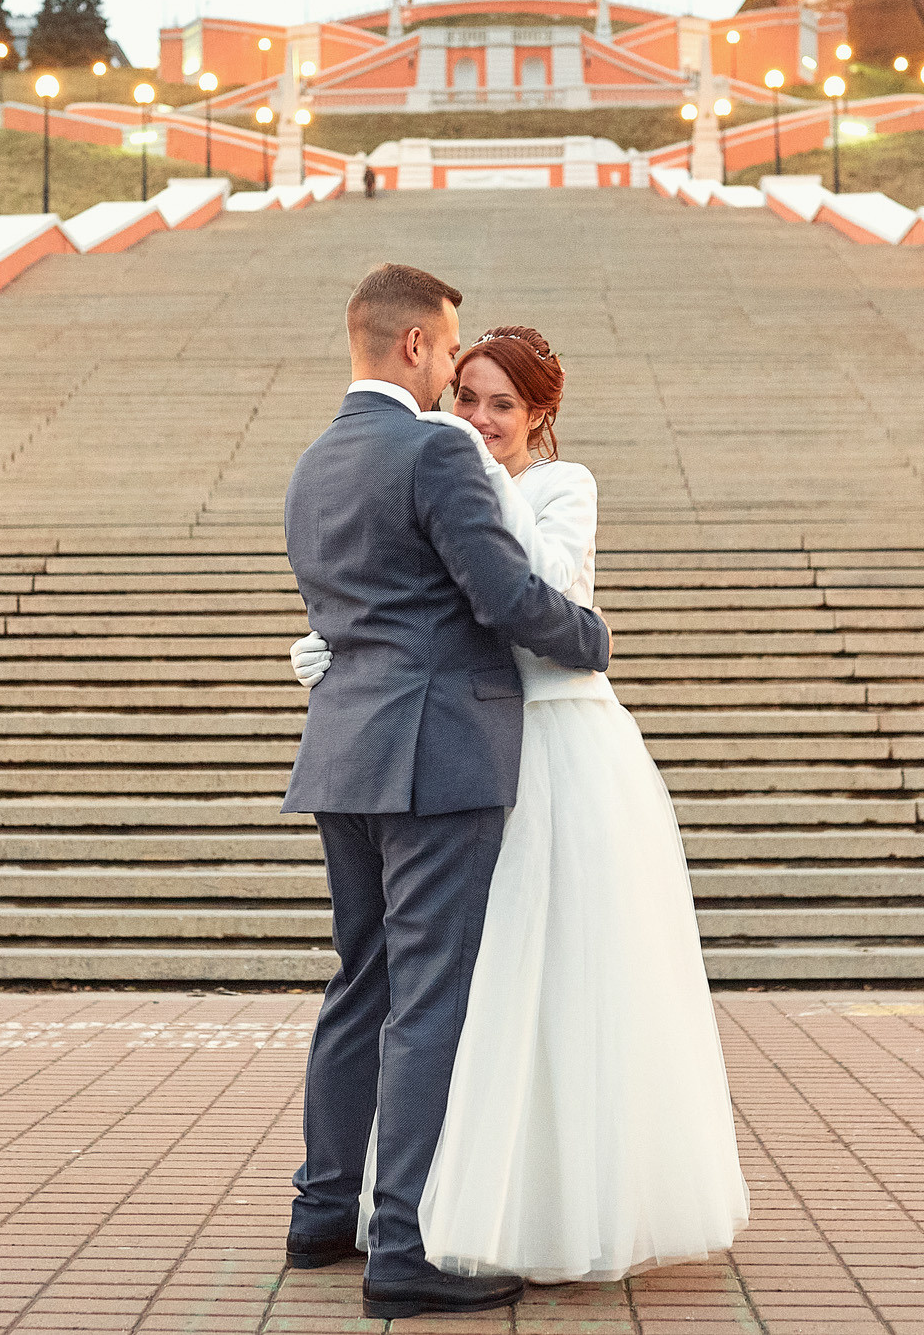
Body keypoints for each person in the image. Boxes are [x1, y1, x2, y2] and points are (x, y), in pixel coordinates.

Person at [291, 325, 748, 1284]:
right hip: (456, 744)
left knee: (538, 981)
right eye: (466, 396)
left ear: (539, 416)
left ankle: (518, 1205)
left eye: (502, 404)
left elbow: (535, 583)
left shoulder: (556, 483)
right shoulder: (431, 465)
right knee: (423, 987)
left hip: (543, 745)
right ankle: (380, 1216)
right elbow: (421, 593)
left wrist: (480, 482)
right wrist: (340, 645)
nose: (478, 417)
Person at [281, 266, 612, 1321]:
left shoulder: (314, 460)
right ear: (418, 345)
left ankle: (322, 1209)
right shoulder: (435, 450)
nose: (456, 390)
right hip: (436, 753)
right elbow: (505, 592)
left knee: (361, 982)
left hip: (343, 751)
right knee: (429, 1001)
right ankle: (407, 1247)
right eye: (450, 351)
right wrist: (590, 640)